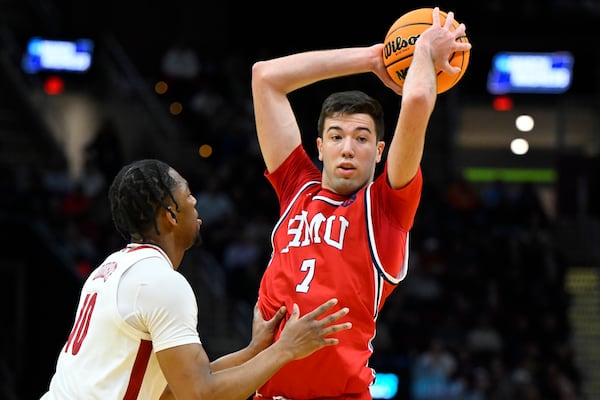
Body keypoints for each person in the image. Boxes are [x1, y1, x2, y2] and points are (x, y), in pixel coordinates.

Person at [250, 7, 471, 400]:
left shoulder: (387, 207)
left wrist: (422, 51)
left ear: (379, 151)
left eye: (362, 138)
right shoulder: (296, 187)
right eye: (336, 136)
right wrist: (372, 59)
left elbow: (418, 98)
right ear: (319, 147)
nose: (347, 148)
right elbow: (265, 77)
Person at [40, 159, 352, 400]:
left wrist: (255, 350)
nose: (195, 202)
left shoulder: (114, 267)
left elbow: (173, 389)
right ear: (170, 216)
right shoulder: (161, 283)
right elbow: (200, 394)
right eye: (188, 195)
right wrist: (286, 350)